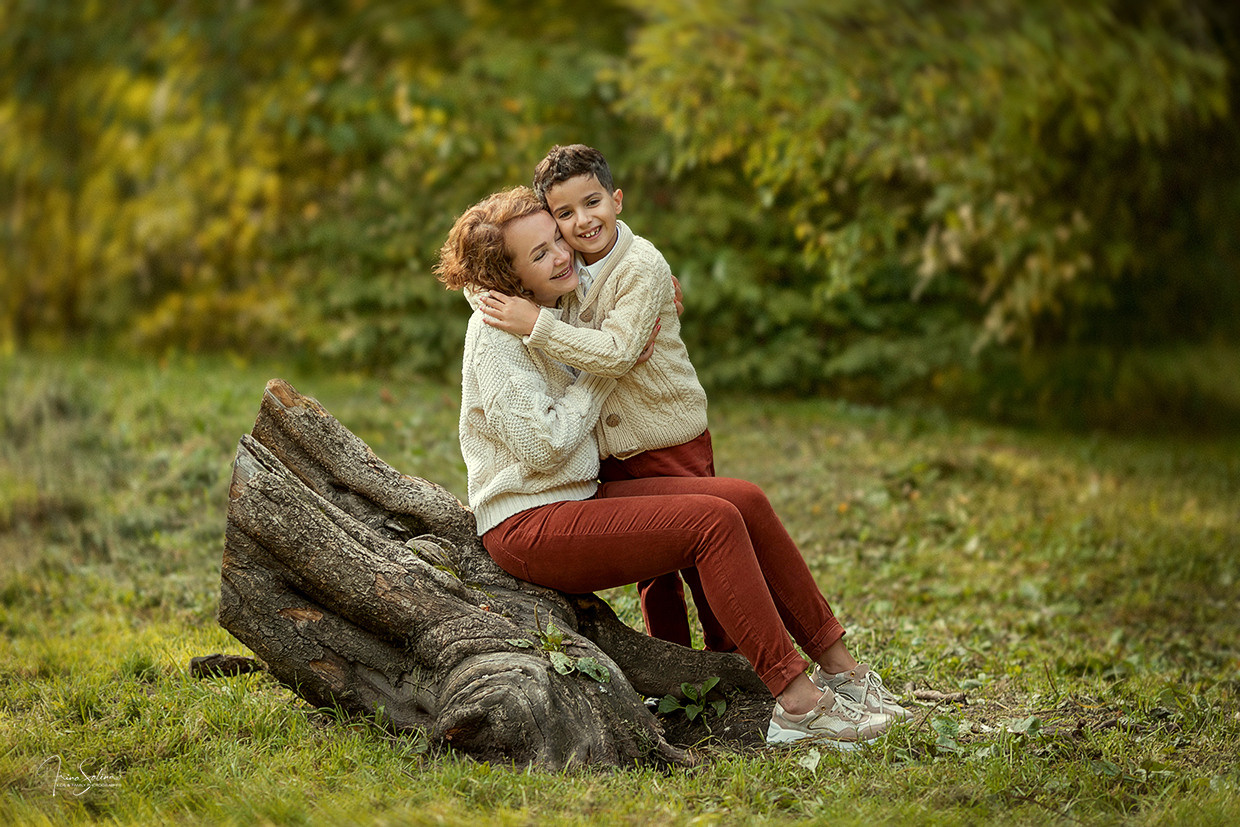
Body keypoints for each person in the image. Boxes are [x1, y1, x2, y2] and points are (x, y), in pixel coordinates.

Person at [435, 186, 911, 747]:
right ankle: (798, 706)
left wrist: (656, 291)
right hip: (527, 526)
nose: (562, 256)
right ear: (511, 279)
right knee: (712, 523)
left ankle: (845, 674)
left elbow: (621, 276)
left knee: (745, 500)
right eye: (539, 254)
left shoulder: (555, 303)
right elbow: (545, 447)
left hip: (577, 500)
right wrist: (604, 370)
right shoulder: (494, 337)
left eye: (555, 240)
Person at [476, 144, 729, 653]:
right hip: (611, 454)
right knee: (654, 569)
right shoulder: (564, 279)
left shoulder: (638, 265)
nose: (582, 222)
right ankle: (678, 665)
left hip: (669, 438)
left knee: (705, 554)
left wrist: (540, 326)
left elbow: (615, 351)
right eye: (564, 215)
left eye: (592, 203)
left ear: (616, 200)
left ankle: (731, 655)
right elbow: (503, 268)